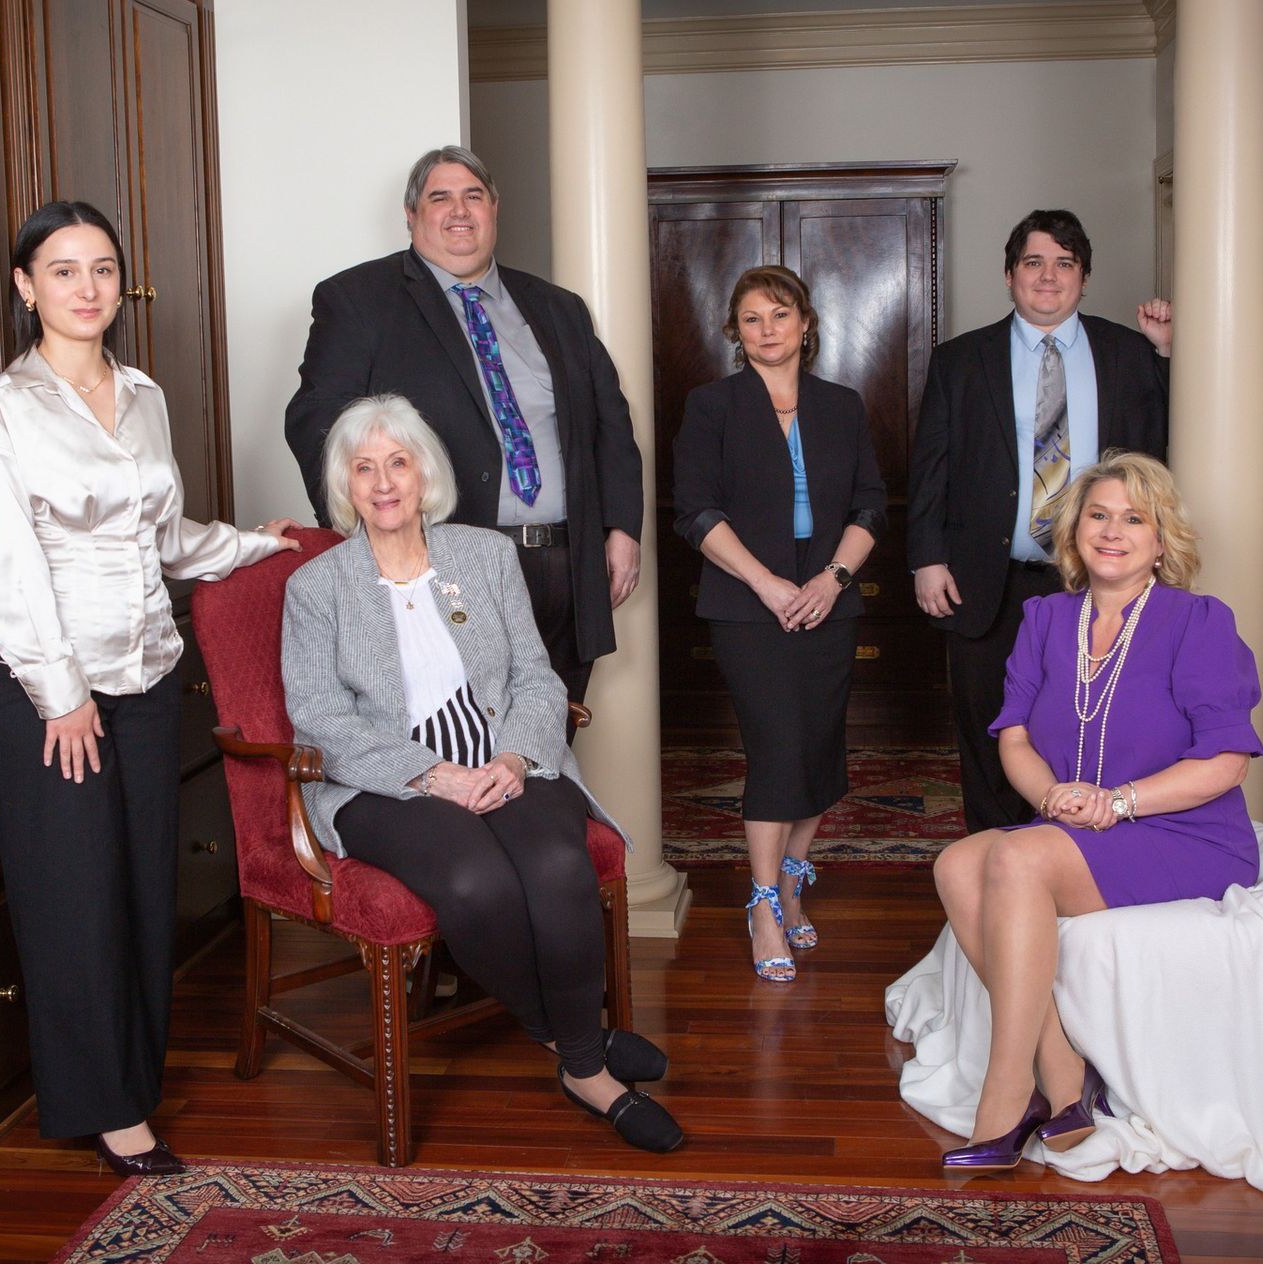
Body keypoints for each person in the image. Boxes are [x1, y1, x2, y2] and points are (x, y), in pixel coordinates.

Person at [0, 200, 304, 1176]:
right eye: (62, 270)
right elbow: (7, 566)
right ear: (27, 286)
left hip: (151, 675)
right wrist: (64, 695)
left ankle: (132, 1079)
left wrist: (252, 544)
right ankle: (105, 1108)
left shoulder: (143, 396)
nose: (86, 288)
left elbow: (165, 534)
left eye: (102, 268)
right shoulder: (5, 409)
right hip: (52, 696)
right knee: (74, 896)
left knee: (144, 888)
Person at [280, 394, 682, 1153]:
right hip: (386, 782)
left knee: (558, 863)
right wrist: (435, 776)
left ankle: (579, 1053)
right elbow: (322, 723)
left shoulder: (484, 556)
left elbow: (535, 676)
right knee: (475, 883)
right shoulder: (317, 588)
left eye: (397, 462)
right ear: (346, 485)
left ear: (424, 472)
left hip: (501, 756)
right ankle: (583, 1058)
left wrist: (510, 758)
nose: (384, 482)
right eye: (364, 468)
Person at [929, 452, 1262, 1171]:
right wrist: (1050, 795)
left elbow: (1225, 762)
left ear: (1162, 538)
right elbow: (1014, 734)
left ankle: (1008, 1088)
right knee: (958, 863)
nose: (1113, 532)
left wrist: (1120, 802)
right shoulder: (1047, 618)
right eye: (1098, 515)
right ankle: (1063, 1072)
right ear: (1075, 531)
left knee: (1016, 855)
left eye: (1134, 519)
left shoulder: (1197, 621)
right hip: (1078, 824)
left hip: (1183, 834)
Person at [284, 145, 644, 707]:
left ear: (494, 208)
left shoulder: (559, 308)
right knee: (461, 743)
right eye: (440, 198)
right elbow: (316, 423)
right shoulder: (358, 300)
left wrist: (623, 527)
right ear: (411, 215)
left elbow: (610, 425)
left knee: (550, 735)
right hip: (444, 564)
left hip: (569, 566)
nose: (460, 210)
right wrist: (363, 535)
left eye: (473, 196)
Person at [907, 209, 1174, 833]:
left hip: (1094, 582)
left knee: (1086, 727)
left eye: (1064, 264)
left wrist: (1165, 353)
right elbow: (930, 470)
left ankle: (1072, 862)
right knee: (990, 727)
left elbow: (1166, 447)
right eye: (1034, 262)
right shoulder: (961, 361)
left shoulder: (1128, 354)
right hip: (984, 580)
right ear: (1009, 275)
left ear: (1084, 278)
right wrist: (927, 557)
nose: (1048, 277)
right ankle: (996, 864)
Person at [672, 267, 884, 983]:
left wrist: (831, 580)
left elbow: (869, 509)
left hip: (830, 603)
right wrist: (766, 584)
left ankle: (795, 880)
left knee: (820, 748)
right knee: (776, 748)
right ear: (736, 330)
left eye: (780, 314)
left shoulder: (843, 406)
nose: (767, 328)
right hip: (745, 607)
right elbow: (695, 511)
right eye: (752, 317)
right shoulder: (712, 406)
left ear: (805, 324)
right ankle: (763, 905)